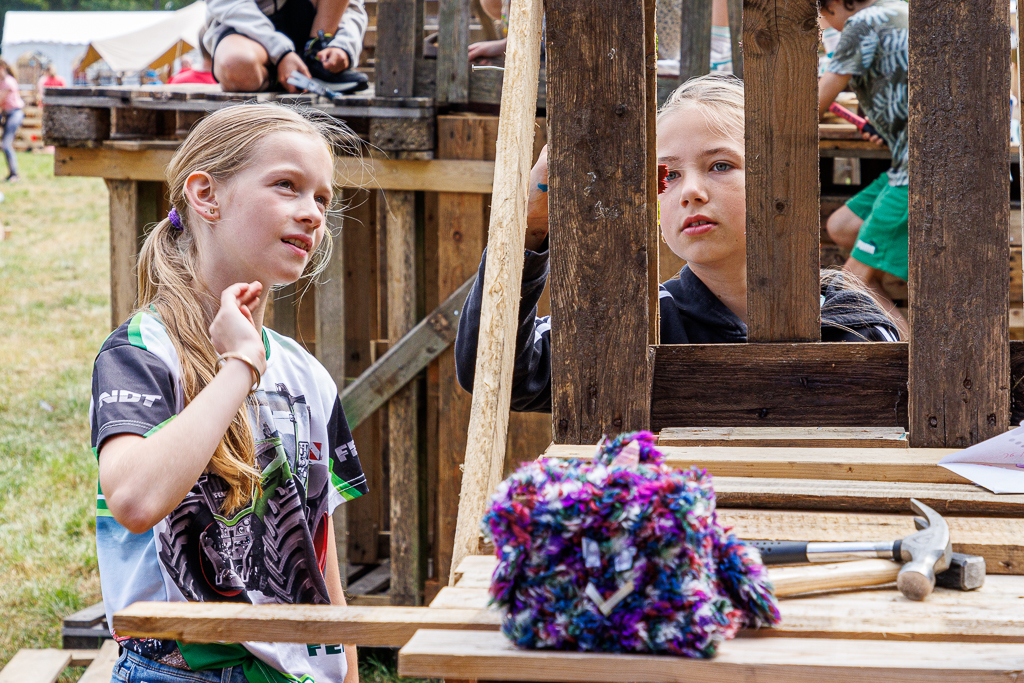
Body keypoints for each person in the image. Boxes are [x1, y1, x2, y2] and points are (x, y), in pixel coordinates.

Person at [91, 103, 368, 683]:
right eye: (287, 185)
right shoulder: (142, 352)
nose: (313, 213)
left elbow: (318, 546)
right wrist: (239, 367)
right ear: (206, 195)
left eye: (322, 198)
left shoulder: (308, 375)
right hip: (179, 671)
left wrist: (347, 669)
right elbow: (135, 500)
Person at [455, 74, 901, 413]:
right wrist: (530, 227)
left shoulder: (850, 323)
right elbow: (495, 374)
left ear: (781, 179)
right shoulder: (638, 326)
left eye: (720, 165)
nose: (690, 191)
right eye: (667, 174)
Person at [817, 0, 909, 334]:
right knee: (842, 226)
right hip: (905, 159)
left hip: (917, 174)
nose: (825, 24)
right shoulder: (897, 9)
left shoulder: (861, 24)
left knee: (853, 280)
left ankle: (904, 351)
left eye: (821, 16)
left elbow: (811, 105)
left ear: (833, 5)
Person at [204, 0, 368, 92]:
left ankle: (316, 58)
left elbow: (352, 5)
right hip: (245, 29)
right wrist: (282, 53)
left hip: (314, 25)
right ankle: (281, 77)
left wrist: (343, 45)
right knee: (235, 64)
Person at [0, 60, 24, 183]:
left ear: (2, 68)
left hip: (15, 113)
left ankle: (14, 174)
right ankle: (12, 174)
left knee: (6, 144)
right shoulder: (1, 82)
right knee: (5, 145)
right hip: (6, 114)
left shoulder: (9, 81)